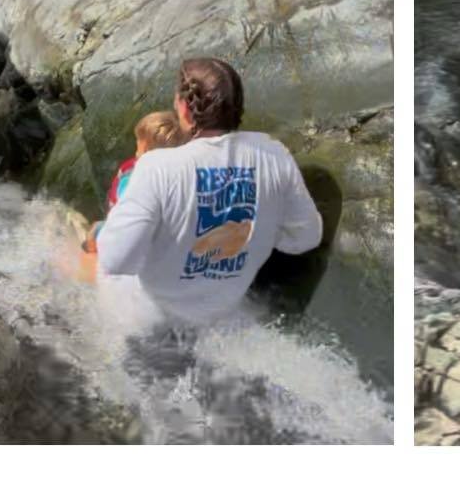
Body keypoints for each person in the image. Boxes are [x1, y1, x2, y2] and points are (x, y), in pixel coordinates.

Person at [95, 58, 325, 324]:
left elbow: (115, 260)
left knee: (82, 248)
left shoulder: (155, 167)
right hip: (220, 317)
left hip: (147, 319)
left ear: (184, 108)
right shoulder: (274, 155)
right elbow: (305, 238)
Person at [82, 111, 185, 256]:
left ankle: (91, 256)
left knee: (94, 233)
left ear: (146, 150)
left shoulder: (133, 176)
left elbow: (126, 217)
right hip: (164, 237)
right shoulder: (179, 176)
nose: (136, 149)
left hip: (126, 236)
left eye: (139, 145)